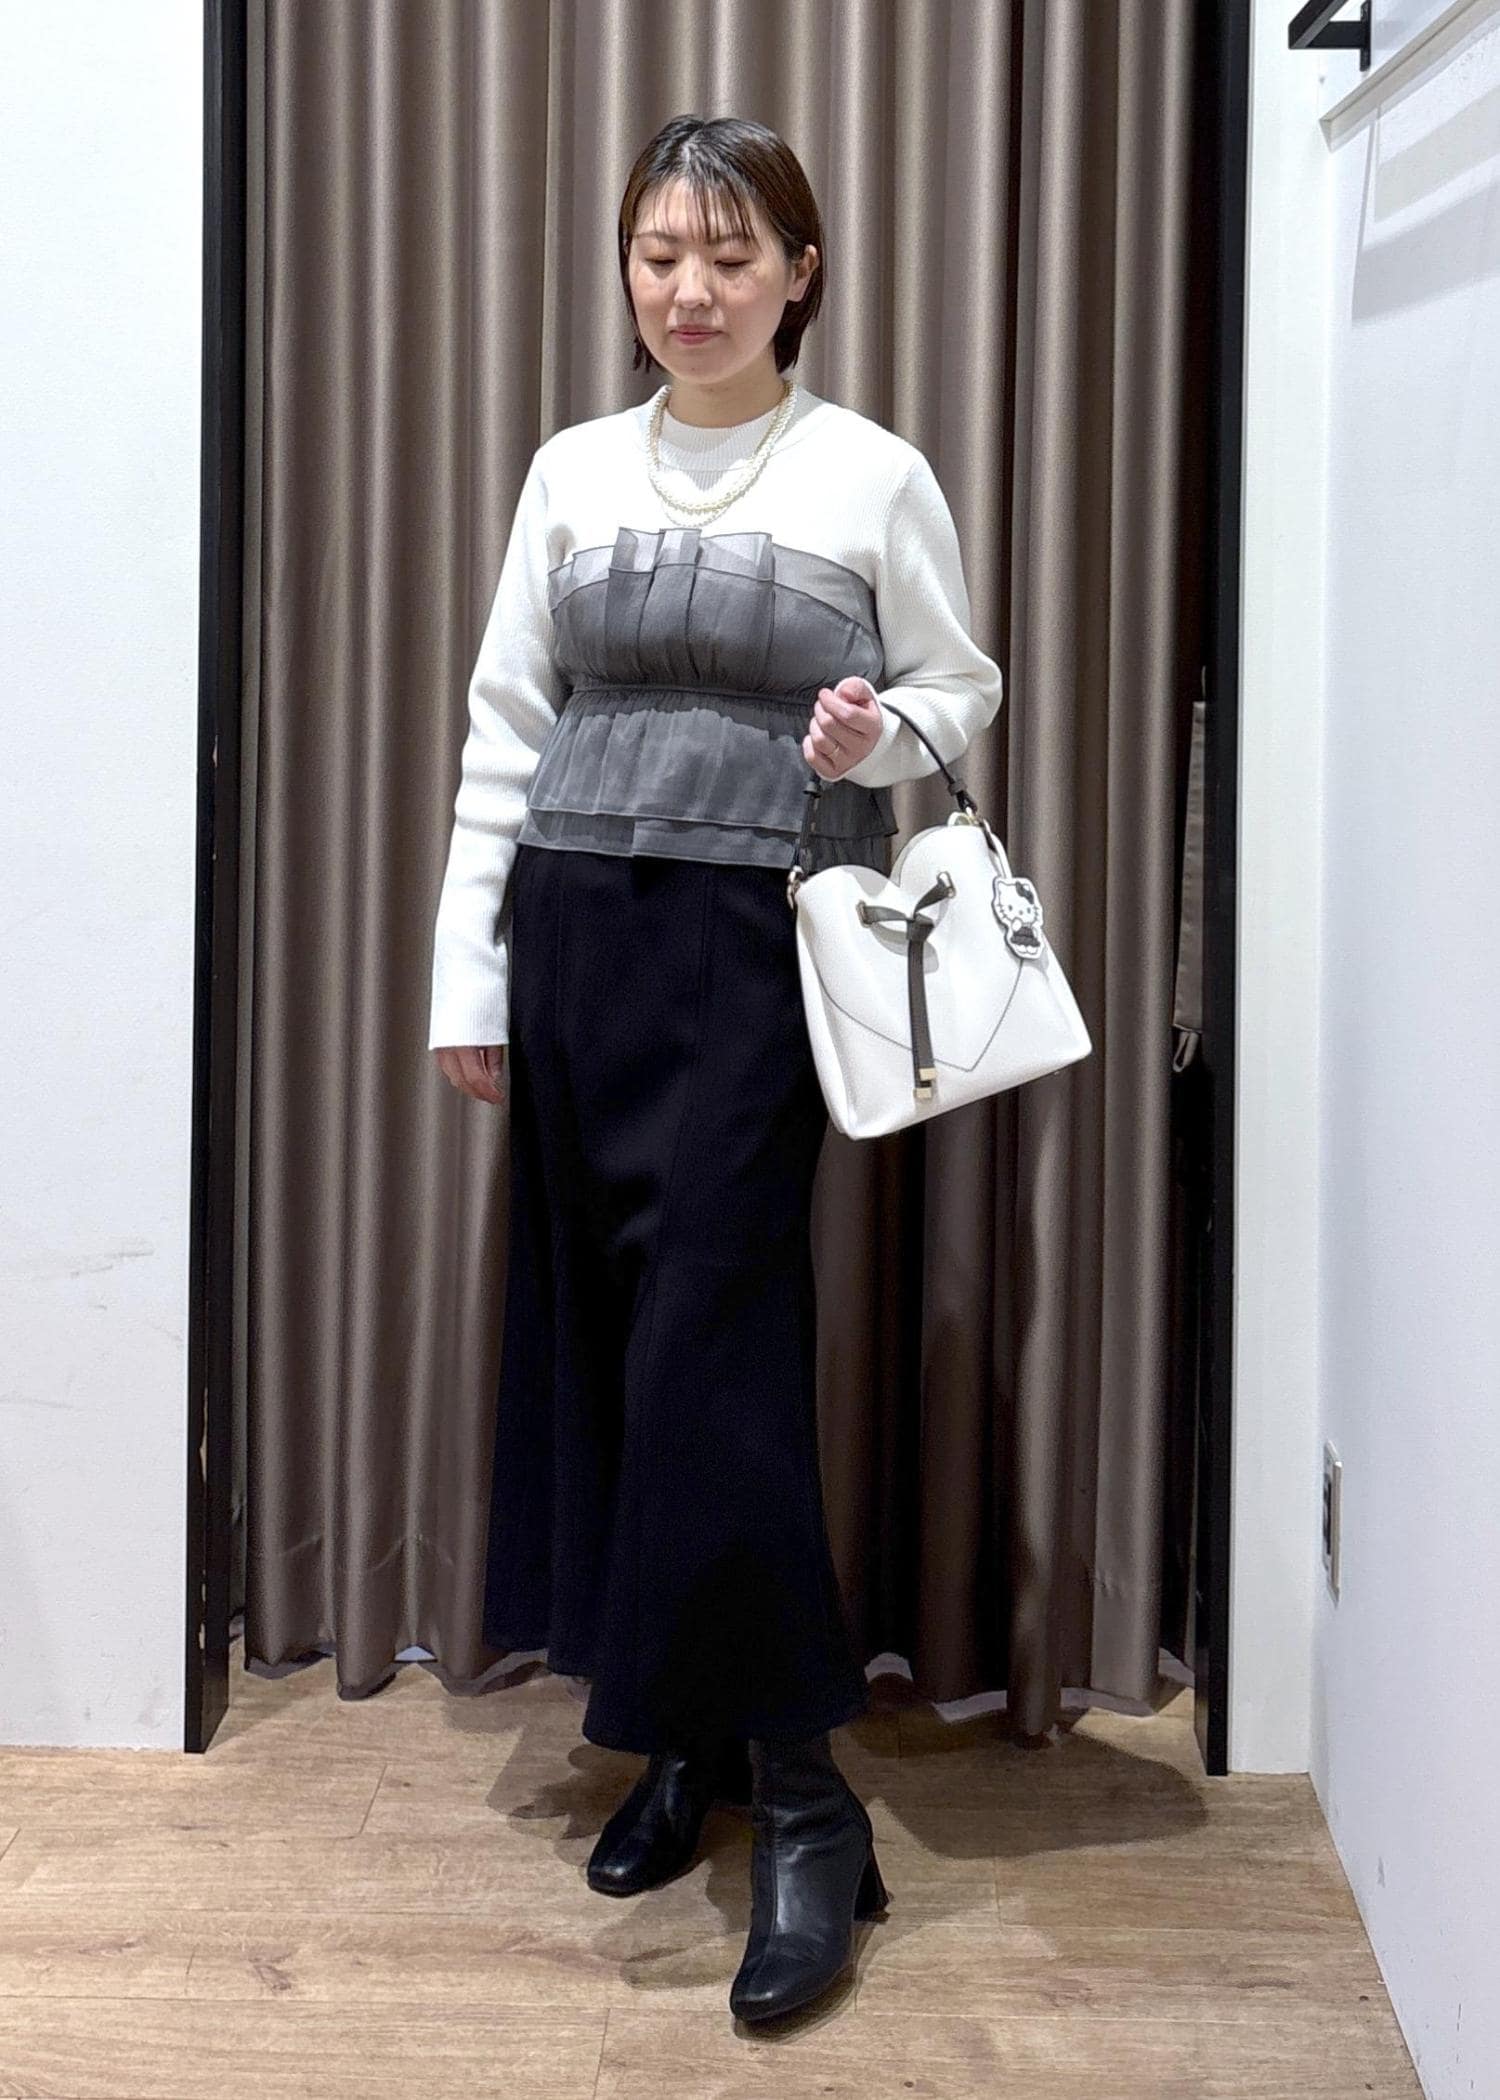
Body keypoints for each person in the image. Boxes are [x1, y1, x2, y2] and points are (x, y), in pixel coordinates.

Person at [427, 114, 1004, 2025]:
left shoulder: (870, 472)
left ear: (800, 274)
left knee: (716, 1358)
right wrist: (472, 980)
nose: (690, 291)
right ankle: (679, 1742)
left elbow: (962, 685)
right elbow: (506, 728)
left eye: (731, 258)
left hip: (760, 950)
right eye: (660, 255)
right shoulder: (572, 470)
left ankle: (808, 1803)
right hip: (579, 934)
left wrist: (870, 734)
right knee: (605, 1344)